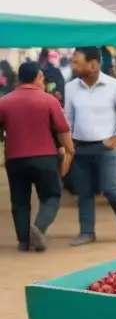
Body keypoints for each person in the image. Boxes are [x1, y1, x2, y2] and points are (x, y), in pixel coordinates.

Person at [64, 46, 116, 245]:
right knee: (84, 192)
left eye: (77, 62)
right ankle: (87, 232)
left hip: (107, 147)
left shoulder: (115, 86)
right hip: (80, 147)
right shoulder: (71, 88)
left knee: (111, 189)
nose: (73, 66)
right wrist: (67, 142)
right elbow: (68, 117)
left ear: (94, 64)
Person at [0, 61, 74, 251]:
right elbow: (63, 130)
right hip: (44, 158)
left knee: (20, 200)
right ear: (38, 77)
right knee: (51, 195)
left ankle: (23, 241)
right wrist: (70, 150)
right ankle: (39, 228)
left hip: (15, 159)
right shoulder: (49, 101)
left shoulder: (4, 102)